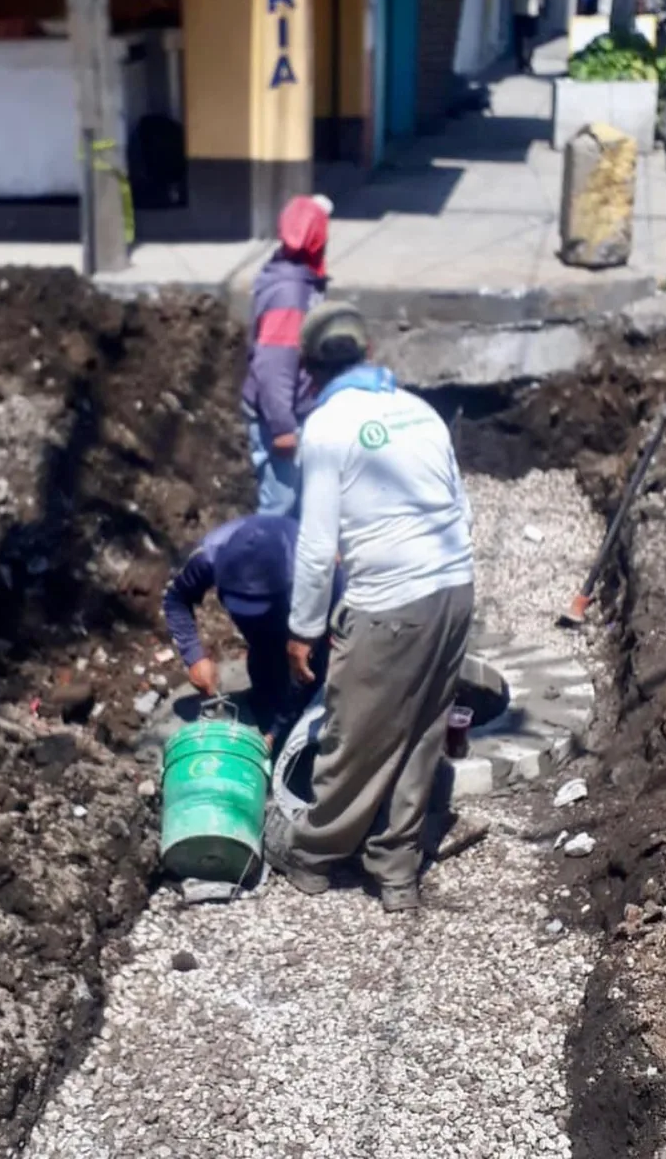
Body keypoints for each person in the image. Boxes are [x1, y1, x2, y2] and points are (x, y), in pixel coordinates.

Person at [264, 302, 475, 913]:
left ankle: (313, 855)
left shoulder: (328, 429)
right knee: (420, 730)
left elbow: (313, 548)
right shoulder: (420, 412)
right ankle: (396, 869)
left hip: (390, 603)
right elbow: (462, 510)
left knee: (352, 732)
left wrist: (302, 629)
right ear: (370, 352)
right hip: (455, 592)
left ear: (308, 370)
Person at [161, 514, 341, 748]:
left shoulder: (316, 571)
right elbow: (176, 599)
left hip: (308, 615)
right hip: (276, 618)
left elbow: (310, 664)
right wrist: (193, 656)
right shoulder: (209, 556)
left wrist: (277, 732)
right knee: (265, 677)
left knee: (313, 699)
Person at [241, 194, 333, 518]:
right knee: (280, 506)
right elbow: (274, 365)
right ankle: (264, 567)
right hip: (281, 417)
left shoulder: (294, 276)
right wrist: (283, 427)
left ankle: (292, 565)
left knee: (300, 504)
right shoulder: (291, 294)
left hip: (292, 409)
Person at [510, 0, 548, 72]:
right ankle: (528, 61)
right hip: (533, 11)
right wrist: (542, 9)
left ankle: (520, 62)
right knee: (531, 38)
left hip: (518, 10)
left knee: (519, 38)